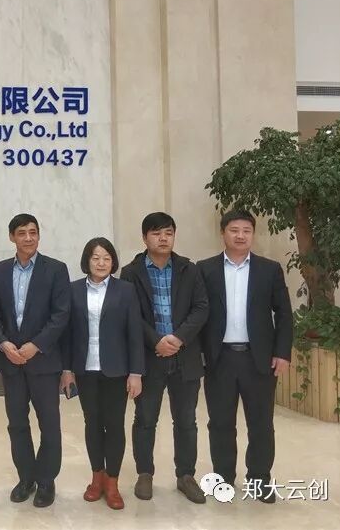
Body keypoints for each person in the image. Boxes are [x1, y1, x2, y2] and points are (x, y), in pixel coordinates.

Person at [198, 210, 293, 503]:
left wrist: (282, 353)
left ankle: (259, 480)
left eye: (246, 230)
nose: (240, 236)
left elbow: (284, 314)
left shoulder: (269, 269)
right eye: (234, 230)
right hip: (219, 359)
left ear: (253, 234)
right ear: (223, 233)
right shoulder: (205, 269)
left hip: (258, 359)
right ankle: (224, 478)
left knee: (261, 424)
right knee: (221, 423)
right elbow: (197, 314)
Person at [120, 212, 209, 504]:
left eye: (168, 233)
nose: (163, 238)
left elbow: (201, 308)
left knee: (186, 421)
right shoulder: (131, 272)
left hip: (185, 356)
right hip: (149, 357)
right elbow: (131, 314)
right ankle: (145, 473)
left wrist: (178, 338)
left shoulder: (188, 269)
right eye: (156, 233)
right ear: (144, 237)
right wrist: (156, 341)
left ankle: (186, 475)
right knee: (145, 419)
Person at [0, 213, 70, 507]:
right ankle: (26, 478)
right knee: (17, 424)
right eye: (22, 233)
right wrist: (4, 343)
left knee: (49, 424)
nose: (28, 238)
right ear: (12, 237)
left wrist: (36, 345)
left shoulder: (56, 269)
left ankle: (46, 481)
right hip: (12, 362)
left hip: (44, 362)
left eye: (33, 232)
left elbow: (61, 314)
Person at [60, 237, 144, 510]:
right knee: (92, 424)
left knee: (115, 425)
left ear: (113, 262)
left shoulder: (125, 290)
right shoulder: (73, 290)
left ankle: (112, 483)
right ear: (87, 260)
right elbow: (67, 335)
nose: (101, 263)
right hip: (85, 370)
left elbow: (134, 333)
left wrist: (136, 372)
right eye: (96, 257)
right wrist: (67, 369)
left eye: (107, 258)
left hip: (116, 370)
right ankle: (97, 477)